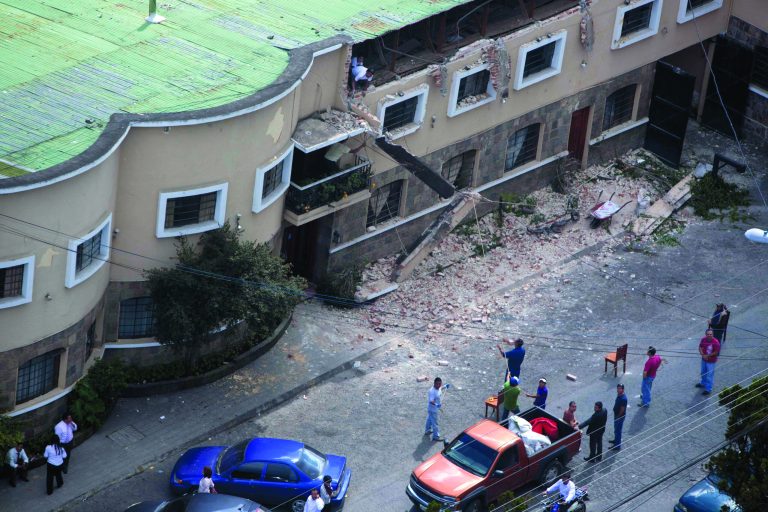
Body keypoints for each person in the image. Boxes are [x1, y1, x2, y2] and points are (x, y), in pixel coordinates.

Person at [697, 329, 720, 395]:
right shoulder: (703, 339)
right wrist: (702, 354)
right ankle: (703, 383)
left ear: (713, 335)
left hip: (711, 361)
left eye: (711, 334)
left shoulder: (716, 342)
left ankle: (708, 389)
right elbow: (700, 347)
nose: (709, 335)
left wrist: (707, 356)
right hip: (704, 359)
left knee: (709, 375)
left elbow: (716, 352)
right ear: (706, 334)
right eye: (708, 334)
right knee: (703, 372)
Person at [424, 377, 443, 442]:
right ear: (434, 383)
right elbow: (431, 401)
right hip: (433, 410)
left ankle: (427, 430)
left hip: (433, 409)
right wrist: (436, 404)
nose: (439, 385)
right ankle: (436, 436)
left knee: (429, 419)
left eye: (440, 384)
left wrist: (445, 386)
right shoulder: (432, 391)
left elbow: (440, 388)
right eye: (437, 384)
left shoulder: (439, 387)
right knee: (435, 423)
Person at [609, 384, 627, 451]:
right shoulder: (619, 395)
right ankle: (616, 440)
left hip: (619, 417)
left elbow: (622, 409)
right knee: (616, 429)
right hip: (616, 415)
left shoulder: (623, 399)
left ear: (623, 389)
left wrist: (618, 417)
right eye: (617, 388)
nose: (618, 390)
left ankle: (617, 446)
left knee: (618, 431)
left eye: (619, 388)